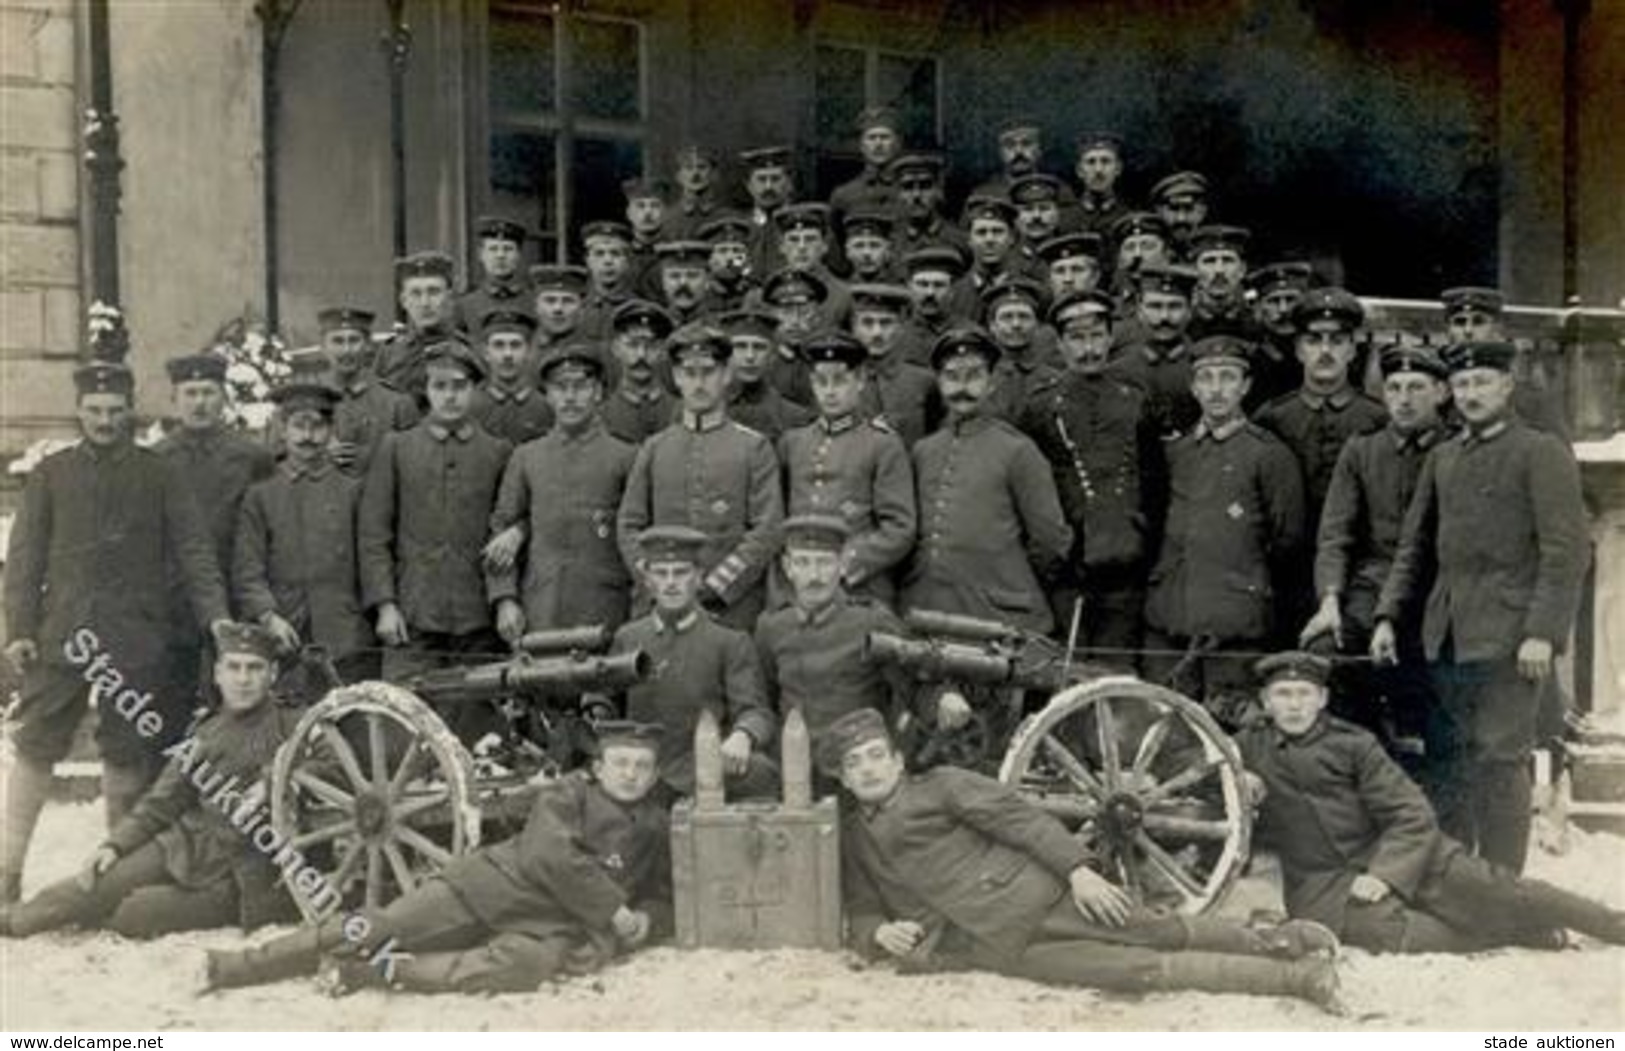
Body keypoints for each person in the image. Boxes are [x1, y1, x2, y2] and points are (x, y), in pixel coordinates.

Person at [824, 708, 1344, 1011]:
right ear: (844, 780)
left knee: (1152, 930)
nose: (868, 771)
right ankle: (1298, 981)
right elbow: (864, 906)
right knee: (1134, 969)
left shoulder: (942, 786)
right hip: (988, 946)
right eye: (854, 764)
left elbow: (1021, 820)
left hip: (1036, 897)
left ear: (896, 760)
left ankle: (1281, 940)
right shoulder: (853, 836)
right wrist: (876, 934)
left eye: (875, 756)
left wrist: (1079, 872)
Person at [202, 719, 675, 995]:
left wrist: (647, 922)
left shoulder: (656, 826)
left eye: (641, 767)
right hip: (490, 887)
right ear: (598, 767)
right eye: (621, 764)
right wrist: (613, 909)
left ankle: (365, 973)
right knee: (380, 927)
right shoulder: (568, 793)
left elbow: (663, 893)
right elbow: (548, 856)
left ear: (654, 777)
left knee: (521, 968)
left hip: (549, 924)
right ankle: (245, 966)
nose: (630, 776)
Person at [2, 362, 231, 904]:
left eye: (115, 410)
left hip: (134, 639)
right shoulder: (51, 474)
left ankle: (110, 881)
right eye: (94, 411)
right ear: (79, 411)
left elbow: (194, 550)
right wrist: (19, 630)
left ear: (130, 410)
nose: (105, 420)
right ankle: (6, 874)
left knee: (127, 751)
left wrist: (215, 616)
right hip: (63, 636)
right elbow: (24, 559)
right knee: (35, 745)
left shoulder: (159, 474)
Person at [1236, 652, 1625, 953]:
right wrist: (1241, 777)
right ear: (1265, 702)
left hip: (1409, 856)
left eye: (1304, 694)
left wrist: (1383, 875)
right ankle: (1522, 935)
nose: (1294, 705)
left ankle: (1612, 925)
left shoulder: (1353, 744)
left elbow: (1412, 813)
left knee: (1502, 891)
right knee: (1393, 934)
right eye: (1282, 695)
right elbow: (1194, 768)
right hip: (1324, 882)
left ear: (1322, 699)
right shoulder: (1246, 747)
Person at [1373, 340, 1589, 873]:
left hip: (1512, 638)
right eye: (1463, 384)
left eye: (1482, 382)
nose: (1471, 394)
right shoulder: (1445, 458)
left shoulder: (1539, 452)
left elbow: (1566, 552)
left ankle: (1502, 888)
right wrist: (1386, 616)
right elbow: (1415, 548)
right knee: (1449, 758)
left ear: (1506, 386)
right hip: (1446, 634)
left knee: (1499, 760)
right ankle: (1458, 879)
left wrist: (1542, 631)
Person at [0, 623, 300, 939]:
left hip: (238, 873)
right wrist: (116, 845)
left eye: (255, 668)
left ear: (273, 673)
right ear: (217, 674)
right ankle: (13, 921)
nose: (243, 679)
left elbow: (325, 767)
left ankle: (108, 913)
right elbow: (162, 800)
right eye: (234, 667)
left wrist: (272, 782)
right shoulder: (206, 729)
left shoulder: (293, 725)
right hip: (186, 846)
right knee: (96, 882)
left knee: (135, 914)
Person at [358, 338, 514, 744]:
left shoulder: (497, 452)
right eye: (440, 386)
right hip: (413, 615)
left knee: (476, 728)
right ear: (426, 391)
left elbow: (509, 523)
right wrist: (385, 605)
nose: (450, 395)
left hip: (476, 615)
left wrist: (503, 597)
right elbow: (374, 532)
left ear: (475, 390)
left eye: (460, 386)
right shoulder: (397, 447)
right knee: (403, 725)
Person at [1143, 335, 1306, 723]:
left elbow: (1287, 538)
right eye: (1208, 378)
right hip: (1171, 617)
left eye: (1228, 377)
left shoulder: (1268, 455)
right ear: (1194, 387)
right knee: (1164, 726)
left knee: (1229, 727)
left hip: (1234, 622)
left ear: (1245, 386)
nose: (1217, 389)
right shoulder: (1177, 453)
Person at [1301, 345, 1450, 750]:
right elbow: (1336, 534)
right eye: (1395, 387)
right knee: (1325, 655)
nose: (1403, 399)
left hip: (1437, 590)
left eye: (1417, 387)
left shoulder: (1454, 450)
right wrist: (1330, 599)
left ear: (1441, 392)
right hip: (1372, 586)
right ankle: (1363, 753)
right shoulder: (1363, 449)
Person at [1019, 291, 1163, 667]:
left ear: (1110, 337)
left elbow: (1154, 482)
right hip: (1069, 569)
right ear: (1061, 344)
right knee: (1069, 672)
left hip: (1126, 563)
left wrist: (1143, 536)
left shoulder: (1135, 399)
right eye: (1078, 339)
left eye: (1097, 336)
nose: (1089, 349)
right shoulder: (1039, 408)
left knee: (1118, 672)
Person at [902, 326, 1072, 636]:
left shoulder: (1018, 450)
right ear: (939, 383)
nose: (962, 387)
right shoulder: (924, 451)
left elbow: (1050, 541)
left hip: (999, 614)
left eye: (973, 376)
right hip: (929, 610)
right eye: (952, 377)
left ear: (992, 383)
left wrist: (1008, 576)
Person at [616, 323, 785, 632]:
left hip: (732, 608)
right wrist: (660, 582)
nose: (699, 383)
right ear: (677, 378)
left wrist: (716, 586)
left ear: (726, 375)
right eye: (689, 373)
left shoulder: (753, 447)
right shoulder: (655, 448)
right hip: (659, 609)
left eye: (708, 372)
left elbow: (767, 529)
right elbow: (629, 525)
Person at [594, 527, 778, 798]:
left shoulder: (728, 641)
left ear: (699, 577)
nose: (671, 583)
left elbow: (756, 712)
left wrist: (743, 735)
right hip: (641, 772)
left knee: (761, 771)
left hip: (704, 771)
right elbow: (604, 698)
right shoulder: (629, 637)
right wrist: (596, 710)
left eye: (681, 572)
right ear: (647, 579)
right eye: (661, 573)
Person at [1256, 287, 1387, 644]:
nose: (1325, 351)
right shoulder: (1273, 417)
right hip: (1288, 570)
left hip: (1355, 569)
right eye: (1314, 340)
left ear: (1352, 348)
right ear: (1299, 350)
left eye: (1336, 340)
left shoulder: (1377, 418)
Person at [486, 342, 637, 641]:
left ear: (598, 392)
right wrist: (505, 600)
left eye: (580, 386)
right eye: (560, 387)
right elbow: (501, 530)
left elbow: (638, 533)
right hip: (541, 609)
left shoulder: (626, 456)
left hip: (607, 610)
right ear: (548, 395)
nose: (570, 397)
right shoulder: (526, 456)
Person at [234, 380, 377, 685]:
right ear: (283, 430)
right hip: (285, 637)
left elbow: (373, 559)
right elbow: (248, 569)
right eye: (299, 426)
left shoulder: (353, 491)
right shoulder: (261, 496)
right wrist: (268, 617)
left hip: (346, 638)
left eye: (317, 426)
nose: (308, 436)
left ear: (330, 432)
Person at [755, 517, 925, 770]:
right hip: (795, 767)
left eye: (825, 562)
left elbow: (913, 690)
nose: (814, 575)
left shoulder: (873, 620)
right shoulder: (772, 626)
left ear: (843, 564)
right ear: (788, 567)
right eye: (803, 562)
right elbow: (765, 699)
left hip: (857, 768)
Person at [154, 352, 276, 704]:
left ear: (223, 396)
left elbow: (266, 526)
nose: (199, 403)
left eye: (208, 392)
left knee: (235, 696)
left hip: (236, 596)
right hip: (175, 600)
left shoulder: (252, 457)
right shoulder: (156, 459)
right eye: (190, 393)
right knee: (172, 697)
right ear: (174, 399)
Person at [778, 333, 917, 606]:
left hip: (858, 589)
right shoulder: (792, 442)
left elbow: (900, 528)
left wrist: (846, 565)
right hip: (796, 587)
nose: (830, 391)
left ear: (861, 381)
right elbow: (778, 518)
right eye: (821, 381)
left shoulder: (883, 444)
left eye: (840, 381)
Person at [318, 305, 419, 477]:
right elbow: (278, 468)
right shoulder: (301, 401)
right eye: (337, 341)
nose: (346, 350)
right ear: (323, 347)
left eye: (354, 340)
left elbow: (415, 467)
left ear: (368, 345)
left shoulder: (397, 404)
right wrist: (318, 453)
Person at [1107, 263, 1200, 440]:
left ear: (1190, 310)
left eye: (1174, 306)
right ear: (1139, 310)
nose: (1164, 317)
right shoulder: (1118, 373)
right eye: (1155, 306)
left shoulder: (1204, 369)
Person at [849, 282, 938, 449]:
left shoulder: (923, 382)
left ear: (901, 327)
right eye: (867, 323)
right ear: (854, 328)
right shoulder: (842, 380)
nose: (877, 333)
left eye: (886, 323)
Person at [374, 250, 460, 401]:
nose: (425, 303)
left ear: (450, 298)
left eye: (433, 292)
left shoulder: (467, 353)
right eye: (416, 293)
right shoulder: (389, 354)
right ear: (403, 301)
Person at [722, 307, 814, 440]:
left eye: (759, 347)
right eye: (740, 346)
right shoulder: (705, 408)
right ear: (726, 354)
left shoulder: (794, 417)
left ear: (772, 356)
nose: (750, 356)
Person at [469, 308, 553, 445]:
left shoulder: (545, 407)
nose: (507, 354)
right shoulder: (470, 406)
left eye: (515, 345)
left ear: (529, 352)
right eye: (499, 345)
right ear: (485, 352)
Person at [600, 299, 678, 446]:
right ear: (615, 348)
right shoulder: (600, 418)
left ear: (663, 351)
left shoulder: (681, 413)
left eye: (651, 346)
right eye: (632, 345)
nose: (641, 354)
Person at [1242, 262, 1313, 409]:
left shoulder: (1322, 347)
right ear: (1259, 307)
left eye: (1290, 300)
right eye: (1274, 301)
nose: (1283, 309)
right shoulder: (1250, 355)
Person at [455, 216, 532, 334]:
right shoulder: (464, 306)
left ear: (518, 255)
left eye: (508, 249)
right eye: (493, 249)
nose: (500, 255)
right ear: (481, 254)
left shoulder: (535, 303)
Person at [894, 246, 968, 368]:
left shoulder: (971, 333)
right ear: (909, 287)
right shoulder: (895, 336)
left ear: (952, 290)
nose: (930, 293)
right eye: (922, 284)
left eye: (939, 285)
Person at [829, 106, 903, 225]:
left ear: (898, 143)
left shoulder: (909, 191)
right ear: (861, 146)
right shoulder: (845, 195)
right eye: (871, 138)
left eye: (885, 137)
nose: (878, 144)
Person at [888, 153, 968, 261]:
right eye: (908, 187)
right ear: (898, 194)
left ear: (938, 191)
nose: (916, 195)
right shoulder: (891, 242)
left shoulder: (959, 241)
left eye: (925, 186)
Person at [1186, 225, 1254, 340]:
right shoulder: (1182, 321)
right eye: (1209, 261)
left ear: (1242, 269)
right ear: (1194, 270)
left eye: (1227, 260)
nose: (1219, 270)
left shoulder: (1257, 321)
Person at [576, 220, 638, 341]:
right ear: (588, 261)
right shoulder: (576, 309)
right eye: (599, 254)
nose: (608, 261)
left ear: (627, 262)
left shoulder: (637, 307)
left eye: (615, 254)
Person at [740, 145, 796, 277]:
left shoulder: (805, 226)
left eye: (775, 179)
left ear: (789, 184)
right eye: (761, 179)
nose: (768, 187)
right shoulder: (742, 228)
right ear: (748, 186)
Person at [1070, 132, 1130, 237]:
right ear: (1079, 171)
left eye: (1105, 161)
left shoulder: (1127, 217)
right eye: (1091, 162)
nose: (1098, 170)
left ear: (1118, 169)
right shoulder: (1065, 220)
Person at [621, 176, 671, 299]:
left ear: (665, 213)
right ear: (629, 213)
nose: (648, 212)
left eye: (655, 205)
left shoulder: (672, 254)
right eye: (640, 206)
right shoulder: (621, 255)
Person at [1148, 170, 1210, 261]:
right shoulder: (1149, 253)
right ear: (1159, 211)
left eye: (1189, 209)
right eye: (1174, 209)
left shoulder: (1214, 257)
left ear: (1203, 210)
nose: (1181, 218)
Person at [666, 143, 723, 239]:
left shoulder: (727, 217)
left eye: (702, 167)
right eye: (689, 168)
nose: (695, 173)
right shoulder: (667, 219)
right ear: (678, 176)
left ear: (714, 174)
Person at [529, 264, 590, 351]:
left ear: (582, 308)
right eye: (550, 300)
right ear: (536, 306)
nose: (558, 309)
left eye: (567, 301)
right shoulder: (523, 350)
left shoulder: (596, 352)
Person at [841, 210, 900, 284]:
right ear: (847, 251)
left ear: (888, 251)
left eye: (874, 246)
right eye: (859, 246)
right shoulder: (836, 290)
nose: (866, 253)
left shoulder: (905, 291)